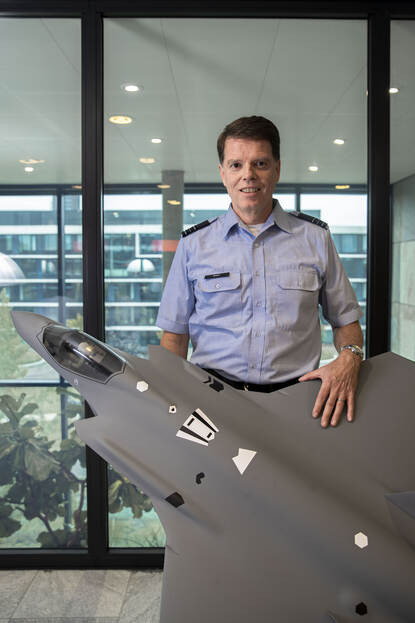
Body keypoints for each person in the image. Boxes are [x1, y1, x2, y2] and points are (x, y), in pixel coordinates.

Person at [156, 116, 364, 428]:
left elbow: (346, 322)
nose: (248, 175)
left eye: (260, 164)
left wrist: (350, 357)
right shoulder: (193, 245)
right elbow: (174, 337)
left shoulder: (316, 239)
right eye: (236, 165)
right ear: (223, 173)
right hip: (212, 404)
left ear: (277, 169)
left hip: (299, 405)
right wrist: (170, 407)